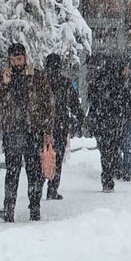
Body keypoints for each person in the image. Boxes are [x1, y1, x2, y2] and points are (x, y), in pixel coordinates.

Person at [0, 43, 54, 222]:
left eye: (19, 59)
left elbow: (48, 104)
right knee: (12, 171)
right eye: (13, 60)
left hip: (33, 131)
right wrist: (3, 85)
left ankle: (35, 207)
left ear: (25, 58)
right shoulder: (4, 77)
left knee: (34, 171)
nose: (16, 63)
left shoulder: (36, 76)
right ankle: (9, 209)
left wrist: (47, 131)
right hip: (12, 131)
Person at [87, 55, 130, 192]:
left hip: (100, 121)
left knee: (105, 151)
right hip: (114, 122)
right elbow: (125, 103)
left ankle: (107, 176)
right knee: (112, 149)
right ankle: (110, 173)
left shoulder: (97, 80)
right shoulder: (119, 83)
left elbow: (92, 101)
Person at [44, 53, 84, 200]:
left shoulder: (42, 81)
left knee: (43, 156)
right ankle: (52, 187)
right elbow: (74, 103)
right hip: (60, 124)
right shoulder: (65, 82)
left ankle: (38, 185)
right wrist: (79, 117)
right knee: (58, 157)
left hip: (44, 125)